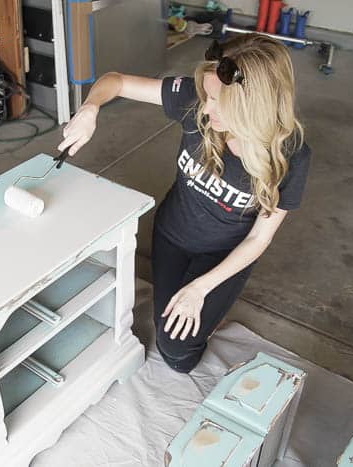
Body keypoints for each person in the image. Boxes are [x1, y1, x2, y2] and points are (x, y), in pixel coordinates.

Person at [57, 34, 311, 373]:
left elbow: (258, 239)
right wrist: (90, 109)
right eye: (206, 95)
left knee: (177, 353)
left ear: (253, 105)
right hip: (172, 235)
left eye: (218, 102)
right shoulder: (197, 102)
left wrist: (201, 288)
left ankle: (212, 310)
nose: (205, 109)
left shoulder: (290, 156)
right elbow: (114, 82)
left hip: (223, 253)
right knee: (167, 328)